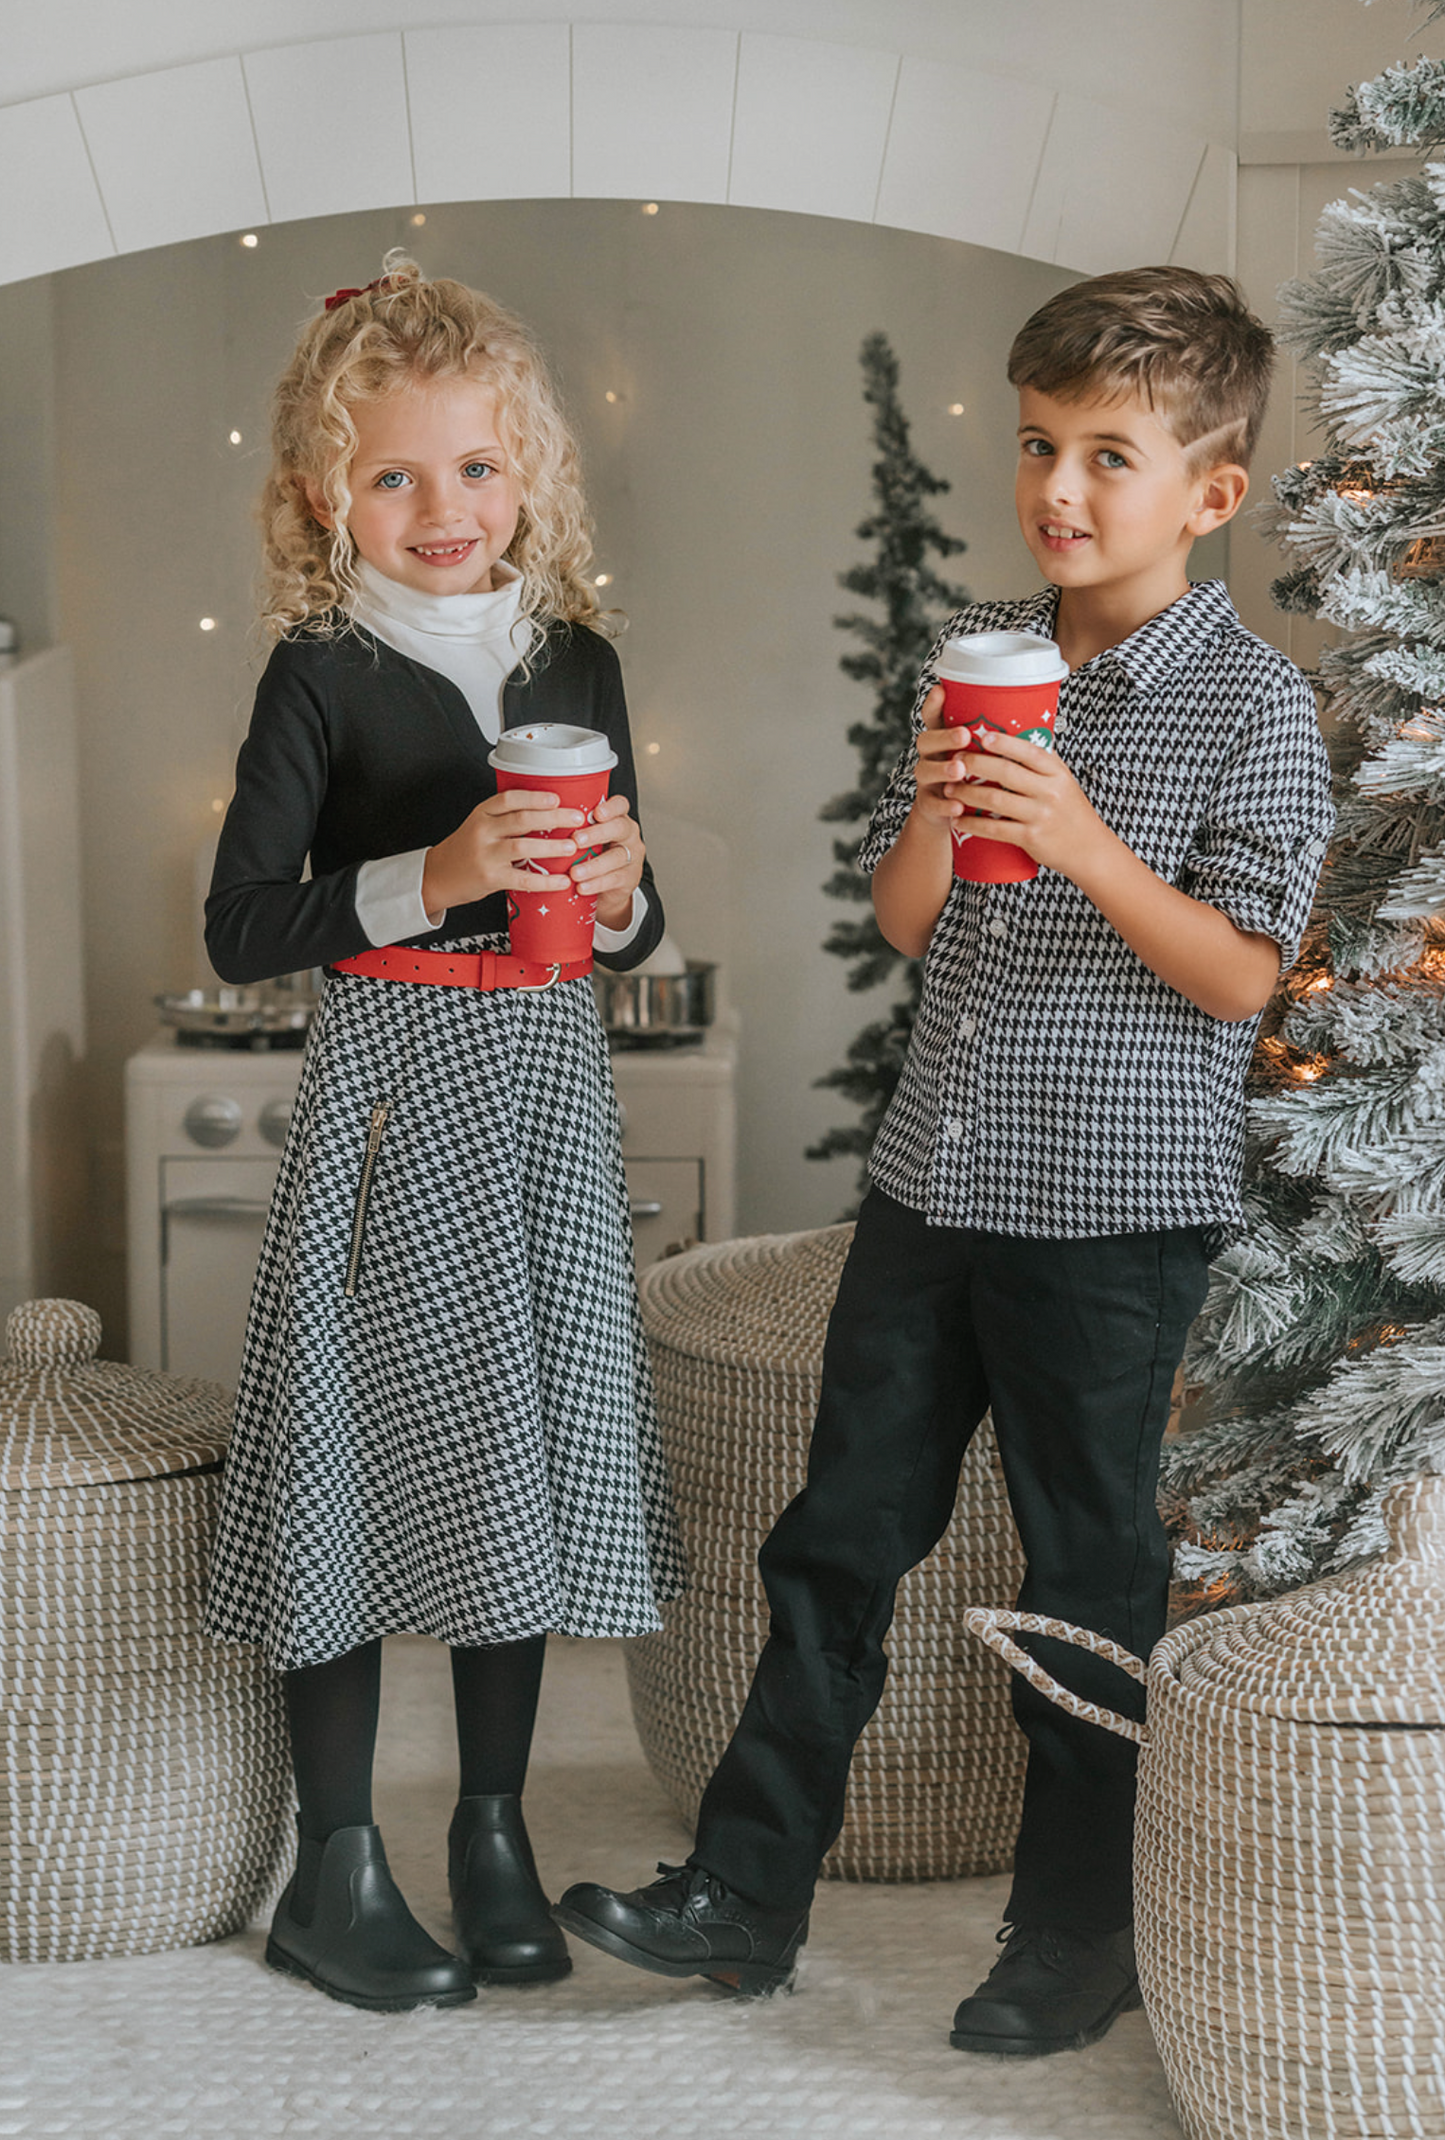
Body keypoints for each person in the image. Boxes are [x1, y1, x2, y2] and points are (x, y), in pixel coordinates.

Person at [556, 267, 1335, 2055]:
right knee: (833, 1541)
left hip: (1114, 1219)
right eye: (1041, 446)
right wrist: (948, 791)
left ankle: (1076, 1934)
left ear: (1210, 493)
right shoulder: (984, 651)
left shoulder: (1250, 707)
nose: (1060, 491)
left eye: (1110, 456)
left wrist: (1077, 836)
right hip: (935, 1183)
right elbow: (914, 920)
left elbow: (1238, 974)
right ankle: (743, 1899)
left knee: (1088, 1578)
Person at [203, 253, 684, 2013]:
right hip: (393, 1103)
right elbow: (245, 926)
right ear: (327, 492)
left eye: (476, 468)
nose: (442, 509)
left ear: (531, 473)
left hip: (548, 1097)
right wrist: (442, 872)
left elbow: (631, 916)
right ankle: (335, 1862)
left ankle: (491, 1829)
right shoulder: (316, 677)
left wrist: (629, 899)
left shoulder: (579, 658)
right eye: (394, 474)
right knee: (346, 1453)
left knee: (518, 1463)